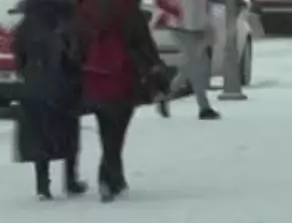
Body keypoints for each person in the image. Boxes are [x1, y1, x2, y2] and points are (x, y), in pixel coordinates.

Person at [78, 0, 169, 202]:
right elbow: (143, 42)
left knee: (105, 127)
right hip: (122, 76)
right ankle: (108, 177)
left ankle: (114, 176)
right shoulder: (126, 7)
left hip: (93, 75)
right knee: (117, 130)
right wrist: (154, 65)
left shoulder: (84, 8)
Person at [12, 0, 87, 200]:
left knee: (39, 135)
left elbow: (19, 58)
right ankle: (71, 180)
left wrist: (29, 75)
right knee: (68, 132)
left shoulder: (26, 25)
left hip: (34, 87)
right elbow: (78, 54)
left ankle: (42, 186)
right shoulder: (68, 22)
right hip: (64, 87)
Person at [154, 0, 220, 120]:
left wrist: (209, 24)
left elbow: (207, 4)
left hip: (200, 26)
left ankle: (166, 96)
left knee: (191, 65)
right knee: (196, 64)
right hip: (179, 26)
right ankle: (204, 107)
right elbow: (160, 2)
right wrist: (176, 12)